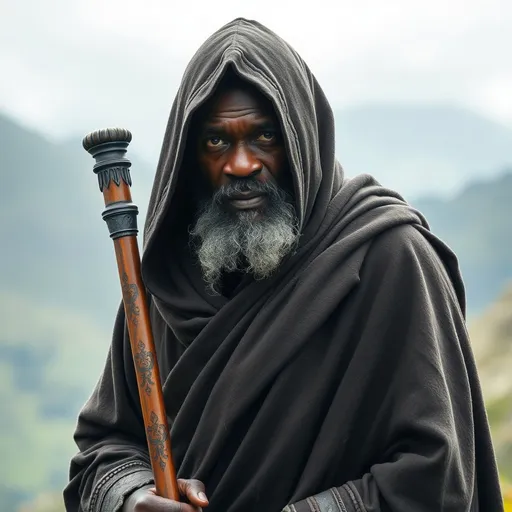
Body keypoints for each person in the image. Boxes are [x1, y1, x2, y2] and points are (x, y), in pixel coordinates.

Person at [63, 17, 505, 512]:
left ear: (300, 141)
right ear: (187, 156)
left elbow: (437, 476)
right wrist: (131, 497)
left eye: (265, 136)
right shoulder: (165, 283)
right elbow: (104, 449)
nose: (242, 164)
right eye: (216, 142)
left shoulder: (390, 261)